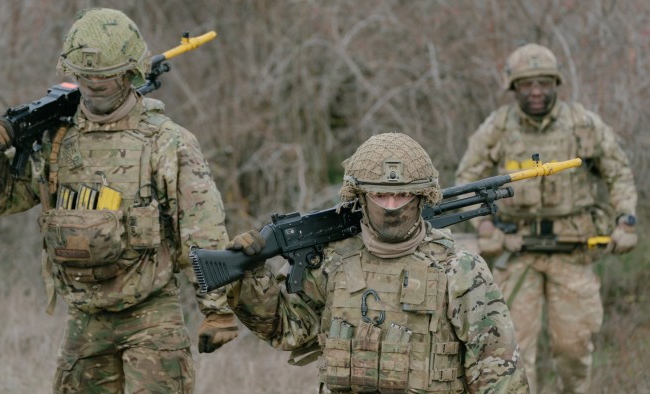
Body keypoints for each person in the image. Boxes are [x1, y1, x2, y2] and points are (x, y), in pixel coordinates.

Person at [0, 8, 238, 393]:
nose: (93, 85)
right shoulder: (57, 139)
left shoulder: (167, 142)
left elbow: (201, 230)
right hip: (85, 315)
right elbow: (6, 198)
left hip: (151, 313)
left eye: (104, 77)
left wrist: (217, 310)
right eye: (85, 76)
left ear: (129, 74)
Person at [225, 133, 529, 393]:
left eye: (403, 195)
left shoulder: (459, 269)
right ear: (360, 196)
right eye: (381, 194)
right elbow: (286, 329)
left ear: (422, 196)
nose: (392, 207)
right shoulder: (332, 261)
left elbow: (499, 373)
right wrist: (251, 275)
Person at [455, 43, 637, 393]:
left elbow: (618, 172)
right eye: (527, 84)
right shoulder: (498, 127)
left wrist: (626, 220)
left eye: (543, 83)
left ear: (556, 83)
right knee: (512, 352)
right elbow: (467, 180)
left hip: (574, 251)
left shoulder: (582, 124)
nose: (536, 91)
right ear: (514, 88)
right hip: (516, 251)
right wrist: (485, 225)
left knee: (573, 348)